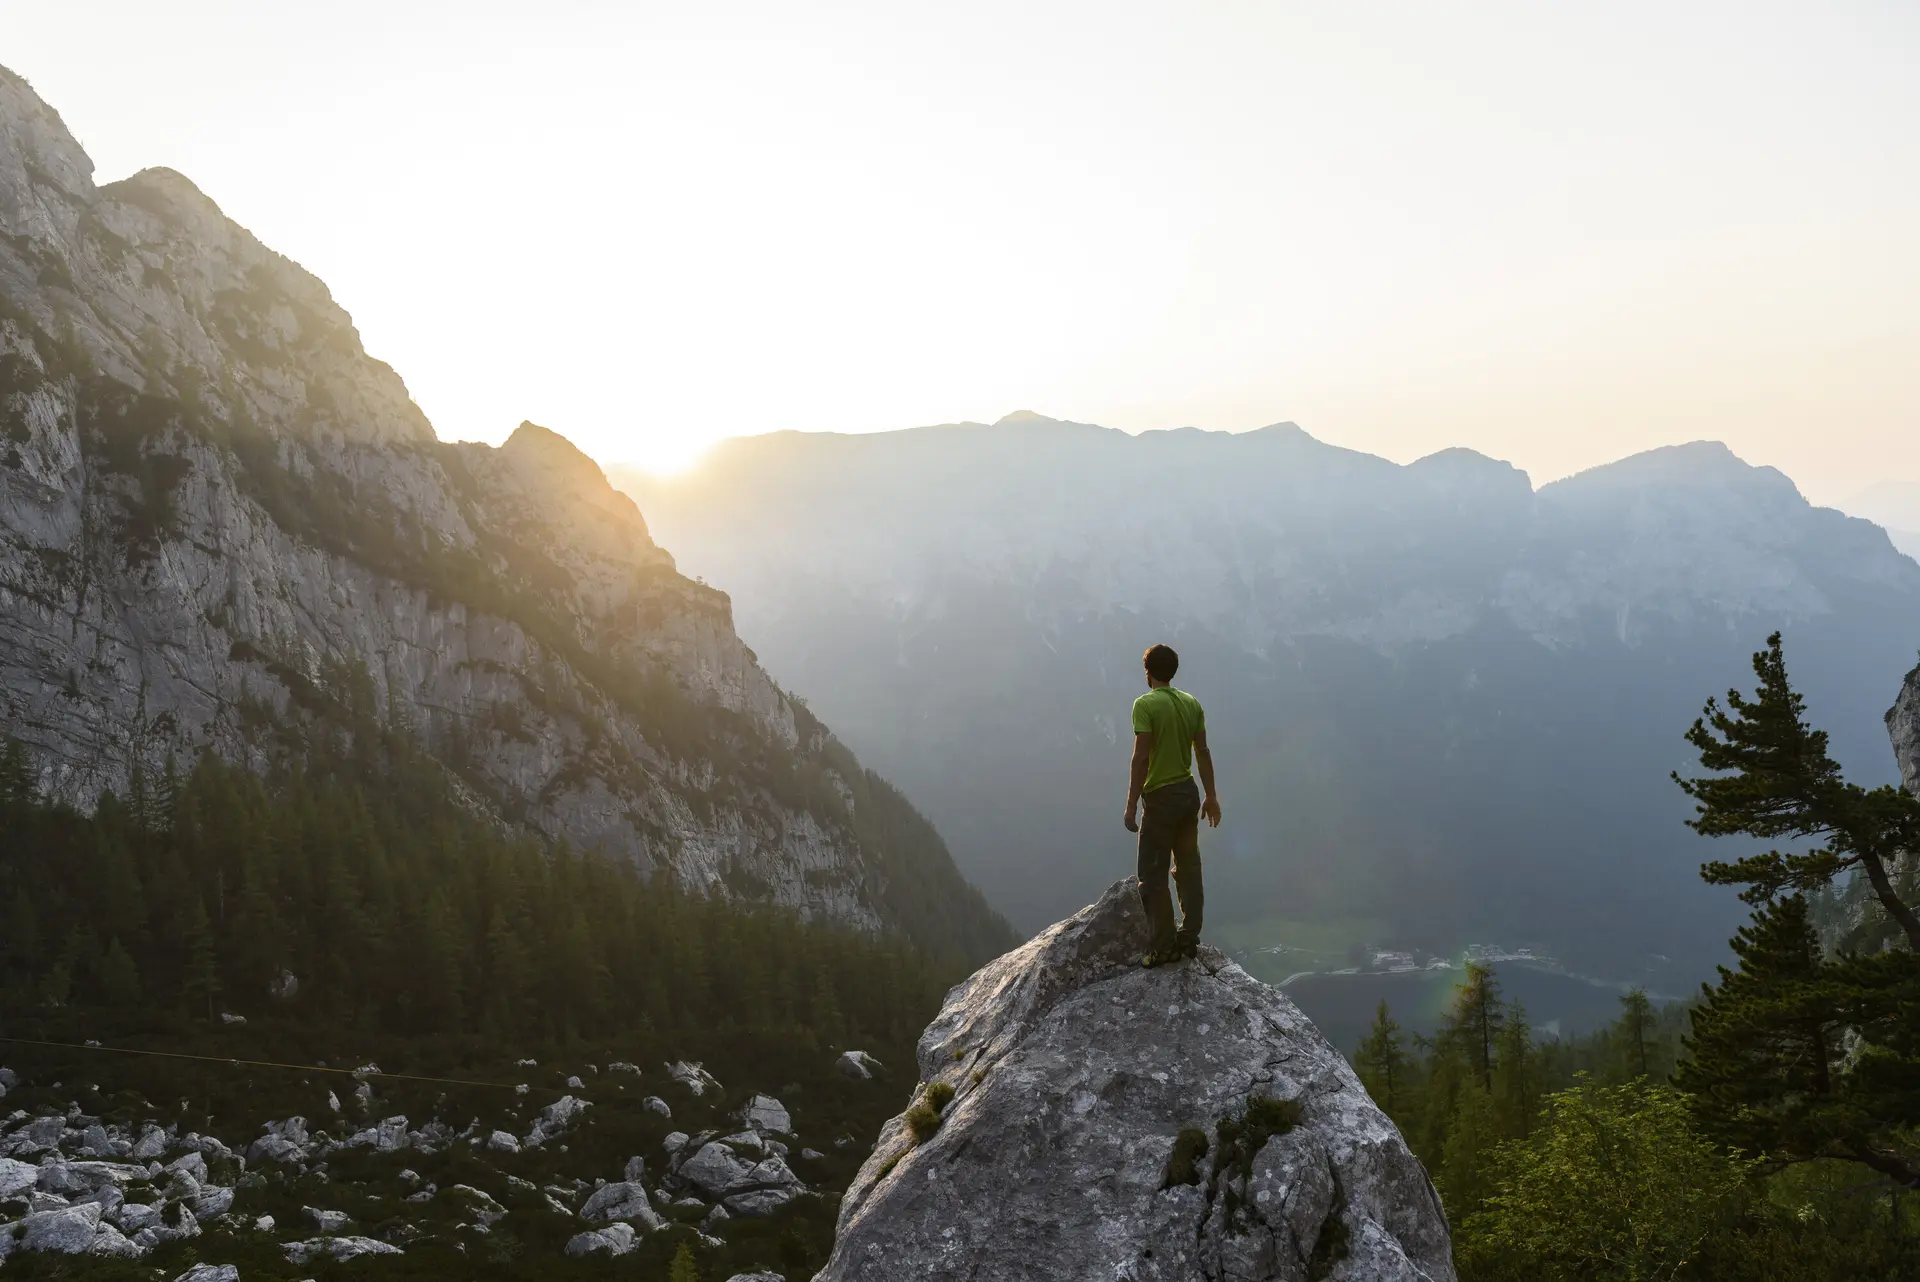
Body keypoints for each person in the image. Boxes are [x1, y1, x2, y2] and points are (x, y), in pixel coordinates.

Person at [1124, 643, 1221, 967]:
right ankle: (1188, 937)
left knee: (1153, 876)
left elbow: (1141, 757)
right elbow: (1203, 753)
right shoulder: (1191, 703)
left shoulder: (1145, 705)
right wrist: (1211, 795)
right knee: (1188, 868)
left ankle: (1162, 948)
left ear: (1147, 672)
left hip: (1161, 799)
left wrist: (1131, 804)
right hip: (1188, 794)